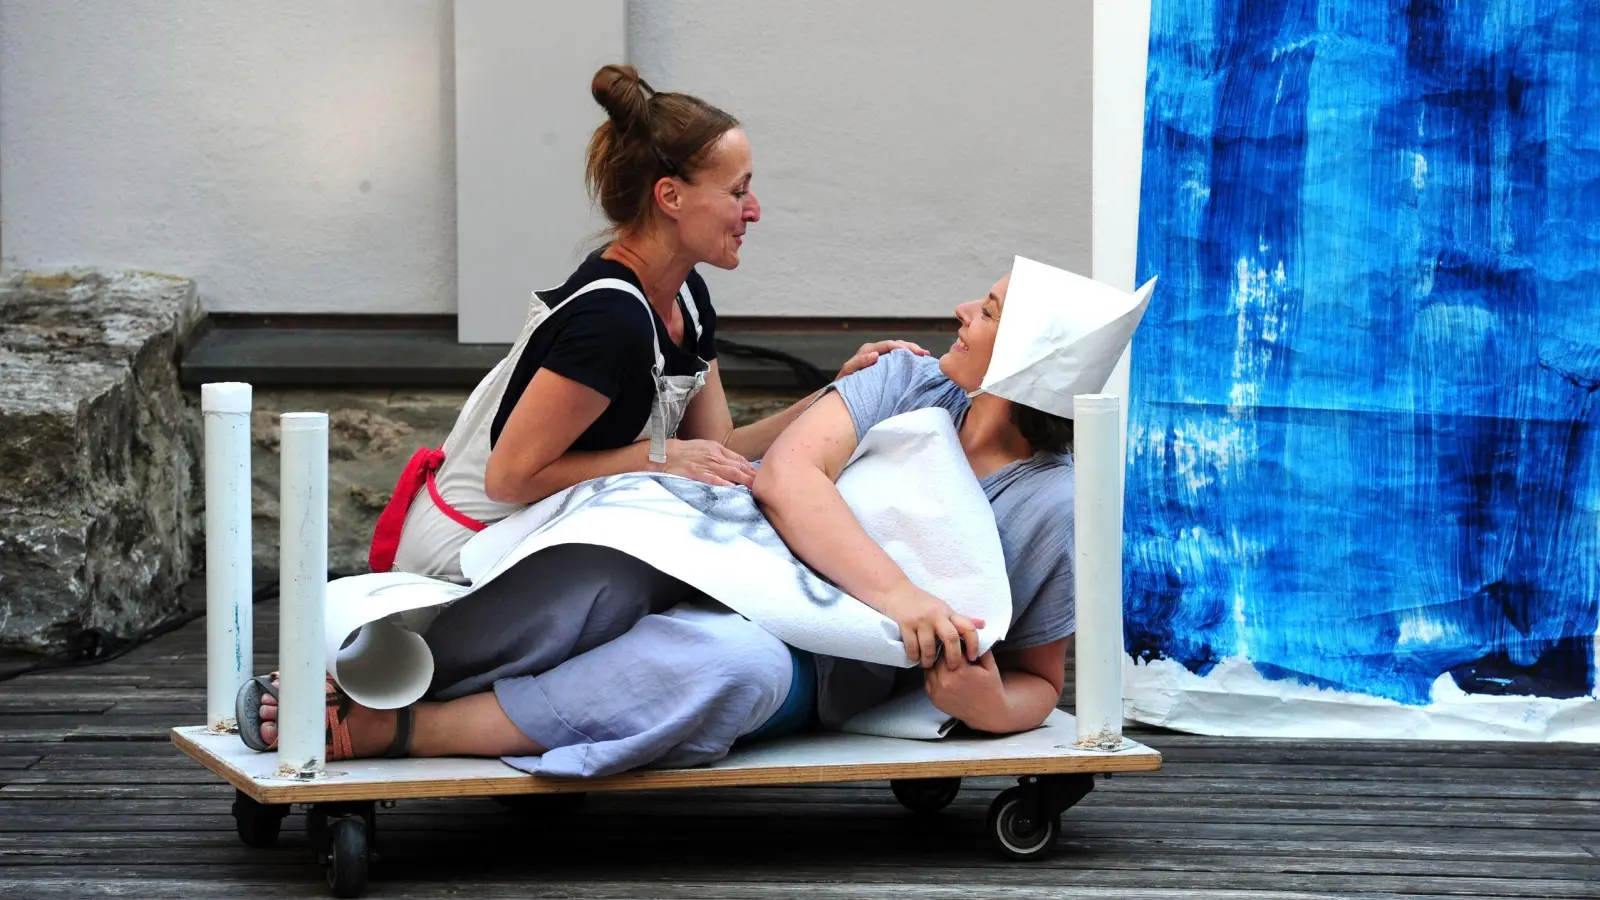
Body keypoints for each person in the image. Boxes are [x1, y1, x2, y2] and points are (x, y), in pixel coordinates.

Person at [239, 263, 1082, 777]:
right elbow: (788, 477)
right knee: (607, 555)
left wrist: (984, 703)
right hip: (744, 552)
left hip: (822, 656)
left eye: (990, 311)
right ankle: (361, 674)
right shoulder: (912, 381)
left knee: (730, 663)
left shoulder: (1049, 503)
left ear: (1030, 360)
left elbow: (1040, 683)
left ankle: (399, 727)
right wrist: (902, 597)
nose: (963, 314)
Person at [368, 63, 923, 579]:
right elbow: (509, 478)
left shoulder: (689, 296)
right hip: (459, 559)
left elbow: (720, 446)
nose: (754, 210)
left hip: (530, 543)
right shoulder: (610, 322)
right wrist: (656, 456)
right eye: (737, 190)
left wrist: (838, 394)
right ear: (670, 196)